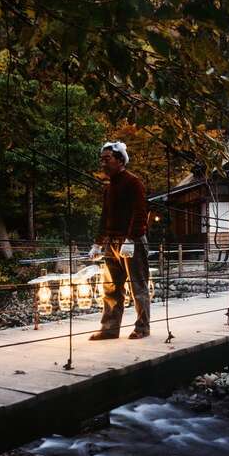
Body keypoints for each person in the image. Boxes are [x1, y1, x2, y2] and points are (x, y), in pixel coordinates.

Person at [88, 141, 150, 340]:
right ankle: (110, 328)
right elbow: (104, 217)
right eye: (101, 160)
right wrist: (97, 243)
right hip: (112, 241)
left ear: (120, 160)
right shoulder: (109, 188)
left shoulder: (133, 182)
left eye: (107, 159)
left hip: (132, 240)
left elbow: (140, 213)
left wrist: (131, 239)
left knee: (137, 285)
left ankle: (142, 327)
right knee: (111, 287)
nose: (103, 164)